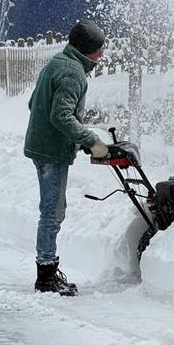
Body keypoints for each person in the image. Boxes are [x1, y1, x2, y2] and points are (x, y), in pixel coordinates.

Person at [24, 20, 110, 296]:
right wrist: (90, 140)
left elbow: (34, 102)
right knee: (52, 211)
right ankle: (46, 276)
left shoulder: (57, 62)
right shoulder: (73, 72)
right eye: (99, 49)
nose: (101, 55)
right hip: (51, 150)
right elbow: (61, 115)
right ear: (86, 50)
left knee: (52, 209)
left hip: (42, 144)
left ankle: (47, 269)